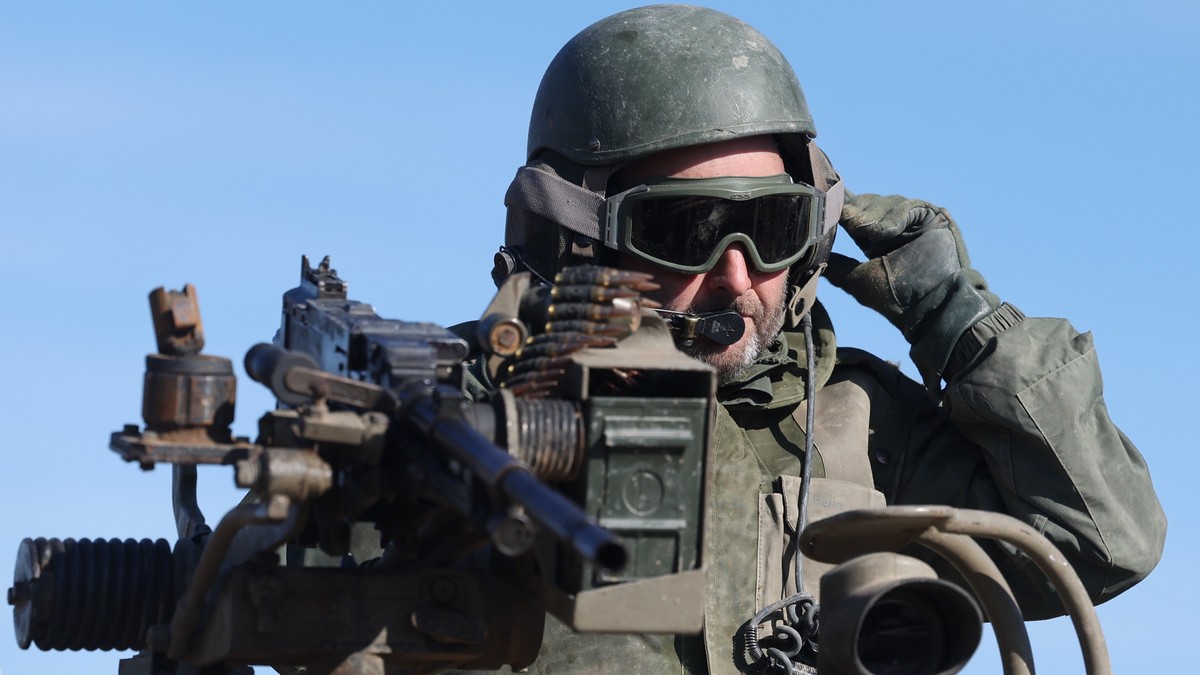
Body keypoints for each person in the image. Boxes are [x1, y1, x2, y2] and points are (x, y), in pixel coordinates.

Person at [475, 5, 1166, 672]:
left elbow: (1103, 544)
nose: (738, 275)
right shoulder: (463, 421)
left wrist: (955, 317)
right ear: (573, 237)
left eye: (772, 227)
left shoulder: (861, 424)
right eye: (687, 231)